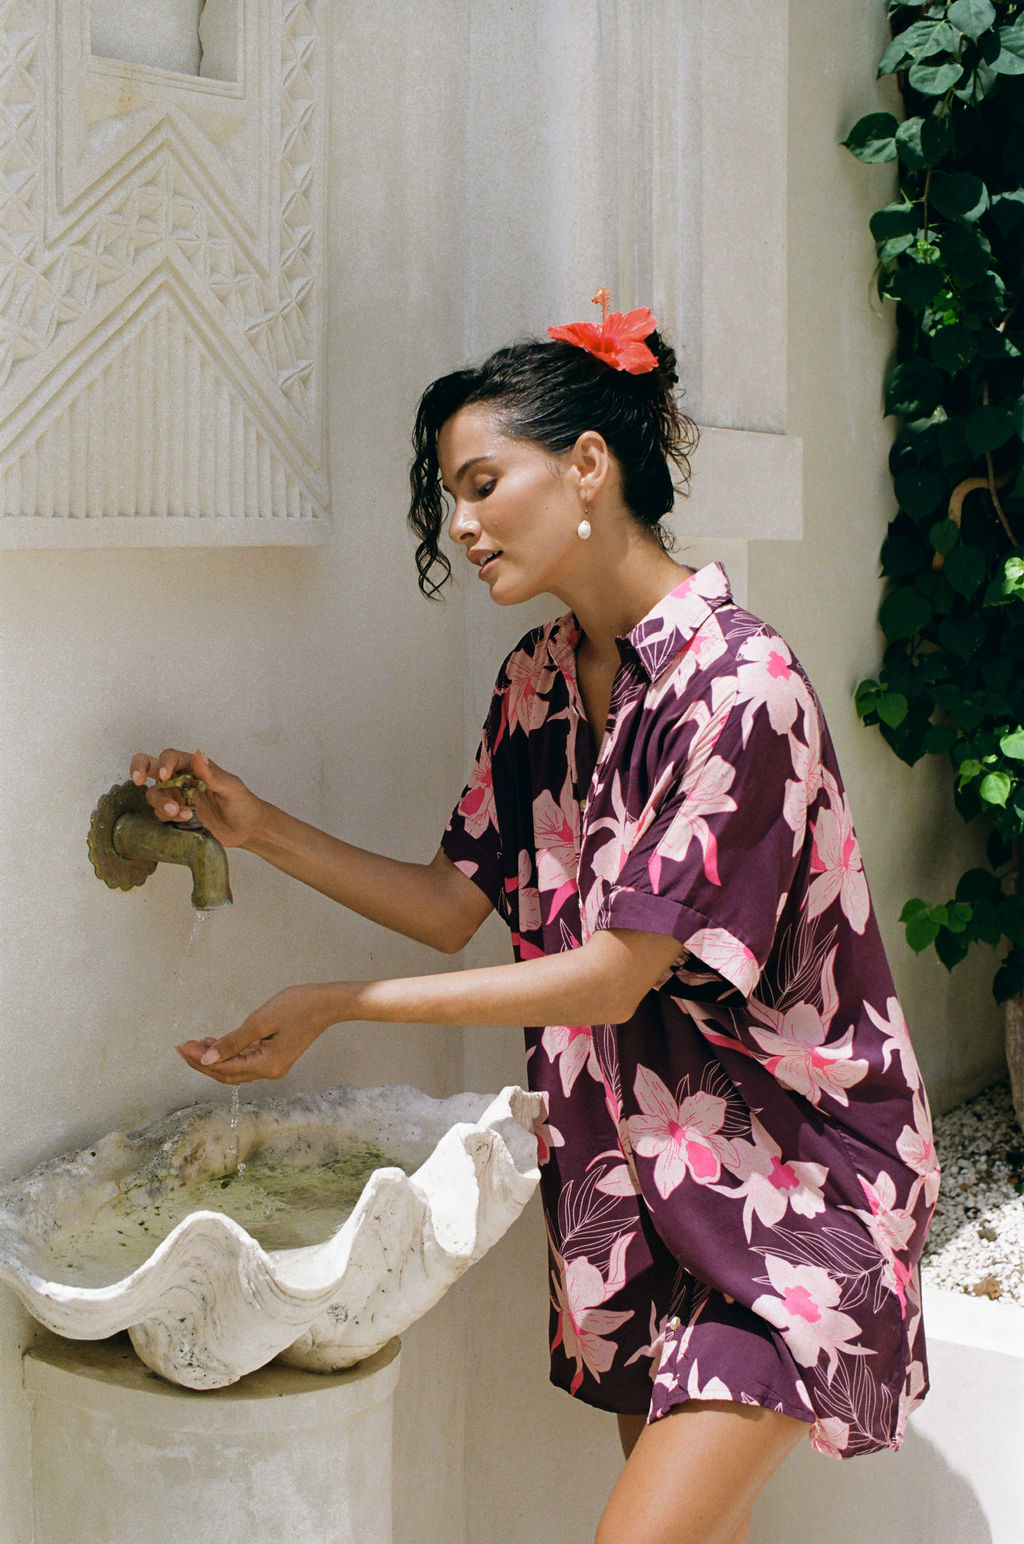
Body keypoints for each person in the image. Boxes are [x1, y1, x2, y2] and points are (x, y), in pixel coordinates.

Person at [131, 294, 938, 1544]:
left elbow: (615, 977)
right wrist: (260, 827)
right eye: (447, 493)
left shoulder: (741, 691)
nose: (457, 525)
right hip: (644, 1184)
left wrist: (339, 1004)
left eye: (479, 481)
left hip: (797, 1191)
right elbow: (458, 902)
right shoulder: (538, 682)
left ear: (587, 467)